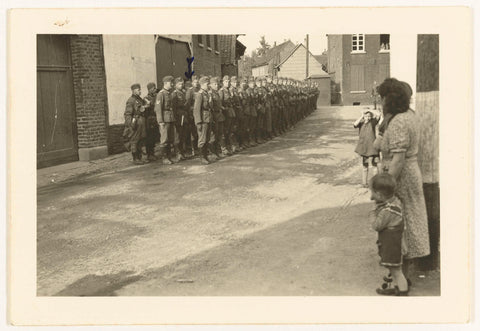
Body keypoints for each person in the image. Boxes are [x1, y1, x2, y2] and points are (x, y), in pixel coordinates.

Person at [376, 78, 430, 284]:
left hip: (401, 177)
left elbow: (398, 159)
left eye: (383, 98)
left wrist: (385, 187)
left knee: (398, 225)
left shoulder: (398, 122)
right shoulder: (409, 116)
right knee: (405, 222)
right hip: (410, 173)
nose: (381, 102)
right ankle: (400, 274)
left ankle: (402, 278)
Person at [369, 173, 409, 296]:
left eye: (373, 193)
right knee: (394, 269)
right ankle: (396, 287)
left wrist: (373, 213)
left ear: (379, 195)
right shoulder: (396, 203)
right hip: (395, 242)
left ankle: (402, 292)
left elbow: (376, 226)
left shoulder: (387, 211)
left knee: (396, 270)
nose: (371, 197)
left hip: (391, 245)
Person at [353, 109, 380, 187]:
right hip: (364, 147)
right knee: (365, 166)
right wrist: (362, 115)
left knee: (375, 165)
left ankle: (375, 183)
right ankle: (364, 183)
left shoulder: (372, 122)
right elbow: (355, 124)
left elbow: (379, 115)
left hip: (373, 148)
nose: (367, 118)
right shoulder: (361, 123)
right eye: (366, 116)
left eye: (369, 116)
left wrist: (369, 110)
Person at [123, 83, 148, 165]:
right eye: (138, 90)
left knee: (141, 140)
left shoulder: (139, 99)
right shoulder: (131, 100)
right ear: (133, 91)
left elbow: (144, 107)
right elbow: (128, 114)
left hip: (141, 123)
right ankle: (135, 158)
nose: (140, 91)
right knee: (134, 141)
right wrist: (130, 125)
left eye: (140, 89)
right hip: (135, 123)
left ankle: (139, 157)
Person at [154, 76, 177, 165]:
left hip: (170, 118)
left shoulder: (169, 93)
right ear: (166, 83)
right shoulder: (161, 94)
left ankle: (169, 156)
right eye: (171, 83)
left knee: (170, 138)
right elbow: (158, 108)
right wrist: (160, 121)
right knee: (164, 139)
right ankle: (164, 158)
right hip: (164, 119)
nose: (172, 84)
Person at [193, 76, 215, 164]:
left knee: (207, 138)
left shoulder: (207, 94)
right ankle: (202, 157)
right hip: (202, 120)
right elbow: (196, 109)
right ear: (202, 85)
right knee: (202, 139)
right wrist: (198, 122)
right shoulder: (200, 94)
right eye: (207, 84)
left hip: (208, 118)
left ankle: (205, 156)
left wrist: (210, 101)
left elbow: (210, 107)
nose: (208, 85)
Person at [171, 77, 188, 162]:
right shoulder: (174, 94)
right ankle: (178, 153)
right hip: (178, 117)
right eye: (179, 84)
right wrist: (174, 118)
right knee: (177, 136)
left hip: (184, 116)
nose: (181, 85)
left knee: (183, 135)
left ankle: (182, 152)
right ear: (175, 85)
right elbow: (173, 108)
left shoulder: (183, 92)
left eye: (182, 84)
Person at [143, 82, 160, 162]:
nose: (155, 89)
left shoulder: (157, 96)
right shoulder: (146, 98)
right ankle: (149, 154)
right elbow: (146, 110)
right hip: (150, 120)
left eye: (155, 88)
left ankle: (152, 153)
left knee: (154, 137)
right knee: (149, 138)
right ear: (149, 89)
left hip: (155, 119)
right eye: (153, 88)